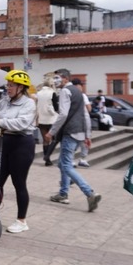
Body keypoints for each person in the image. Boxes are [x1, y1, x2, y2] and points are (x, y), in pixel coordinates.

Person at [0, 70, 37, 233]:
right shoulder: (4, 101)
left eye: (12, 85)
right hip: (5, 142)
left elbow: (21, 123)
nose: (8, 88)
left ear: (21, 87)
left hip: (22, 144)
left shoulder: (29, 104)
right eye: (8, 85)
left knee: (19, 182)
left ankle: (21, 220)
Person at [44, 68, 102, 212]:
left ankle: (89, 193)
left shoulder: (65, 91)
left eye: (57, 77)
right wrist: (87, 135)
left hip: (70, 132)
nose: (55, 81)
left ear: (65, 78)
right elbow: (85, 115)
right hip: (79, 132)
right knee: (63, 163)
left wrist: (51, 132)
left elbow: (63, 114)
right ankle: (63, 193)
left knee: (66, 165)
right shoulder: (78, 92)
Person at [36, 74, 58, 166]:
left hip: (41, 119)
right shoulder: (52, 93)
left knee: (45, 140)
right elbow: (56, 107)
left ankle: (47, 159)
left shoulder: (39, 93)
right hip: (51, 119)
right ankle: (47, 156)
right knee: (54, 139)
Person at [71, 79, 91, 168]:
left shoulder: (69, 94)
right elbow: (89, 108)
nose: (82, 87)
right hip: (83, 120)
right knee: (84, 139)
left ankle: (73, 159)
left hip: (75, 120)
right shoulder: (82, 95)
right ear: (77, 85)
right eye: (80, 85)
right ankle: (82, 159)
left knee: (79, 140)